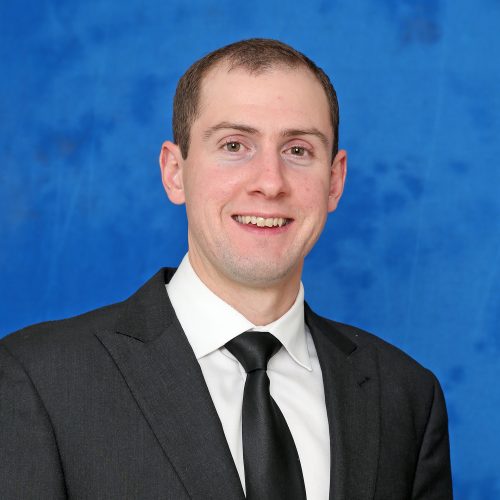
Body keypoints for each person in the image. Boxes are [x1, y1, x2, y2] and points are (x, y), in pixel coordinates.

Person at [0, 39, 452, 499]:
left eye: (298, 150)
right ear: (174, 171)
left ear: (334, 181)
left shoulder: (407, 396)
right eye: (234, 145)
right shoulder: (37, 380)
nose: (270, 183)